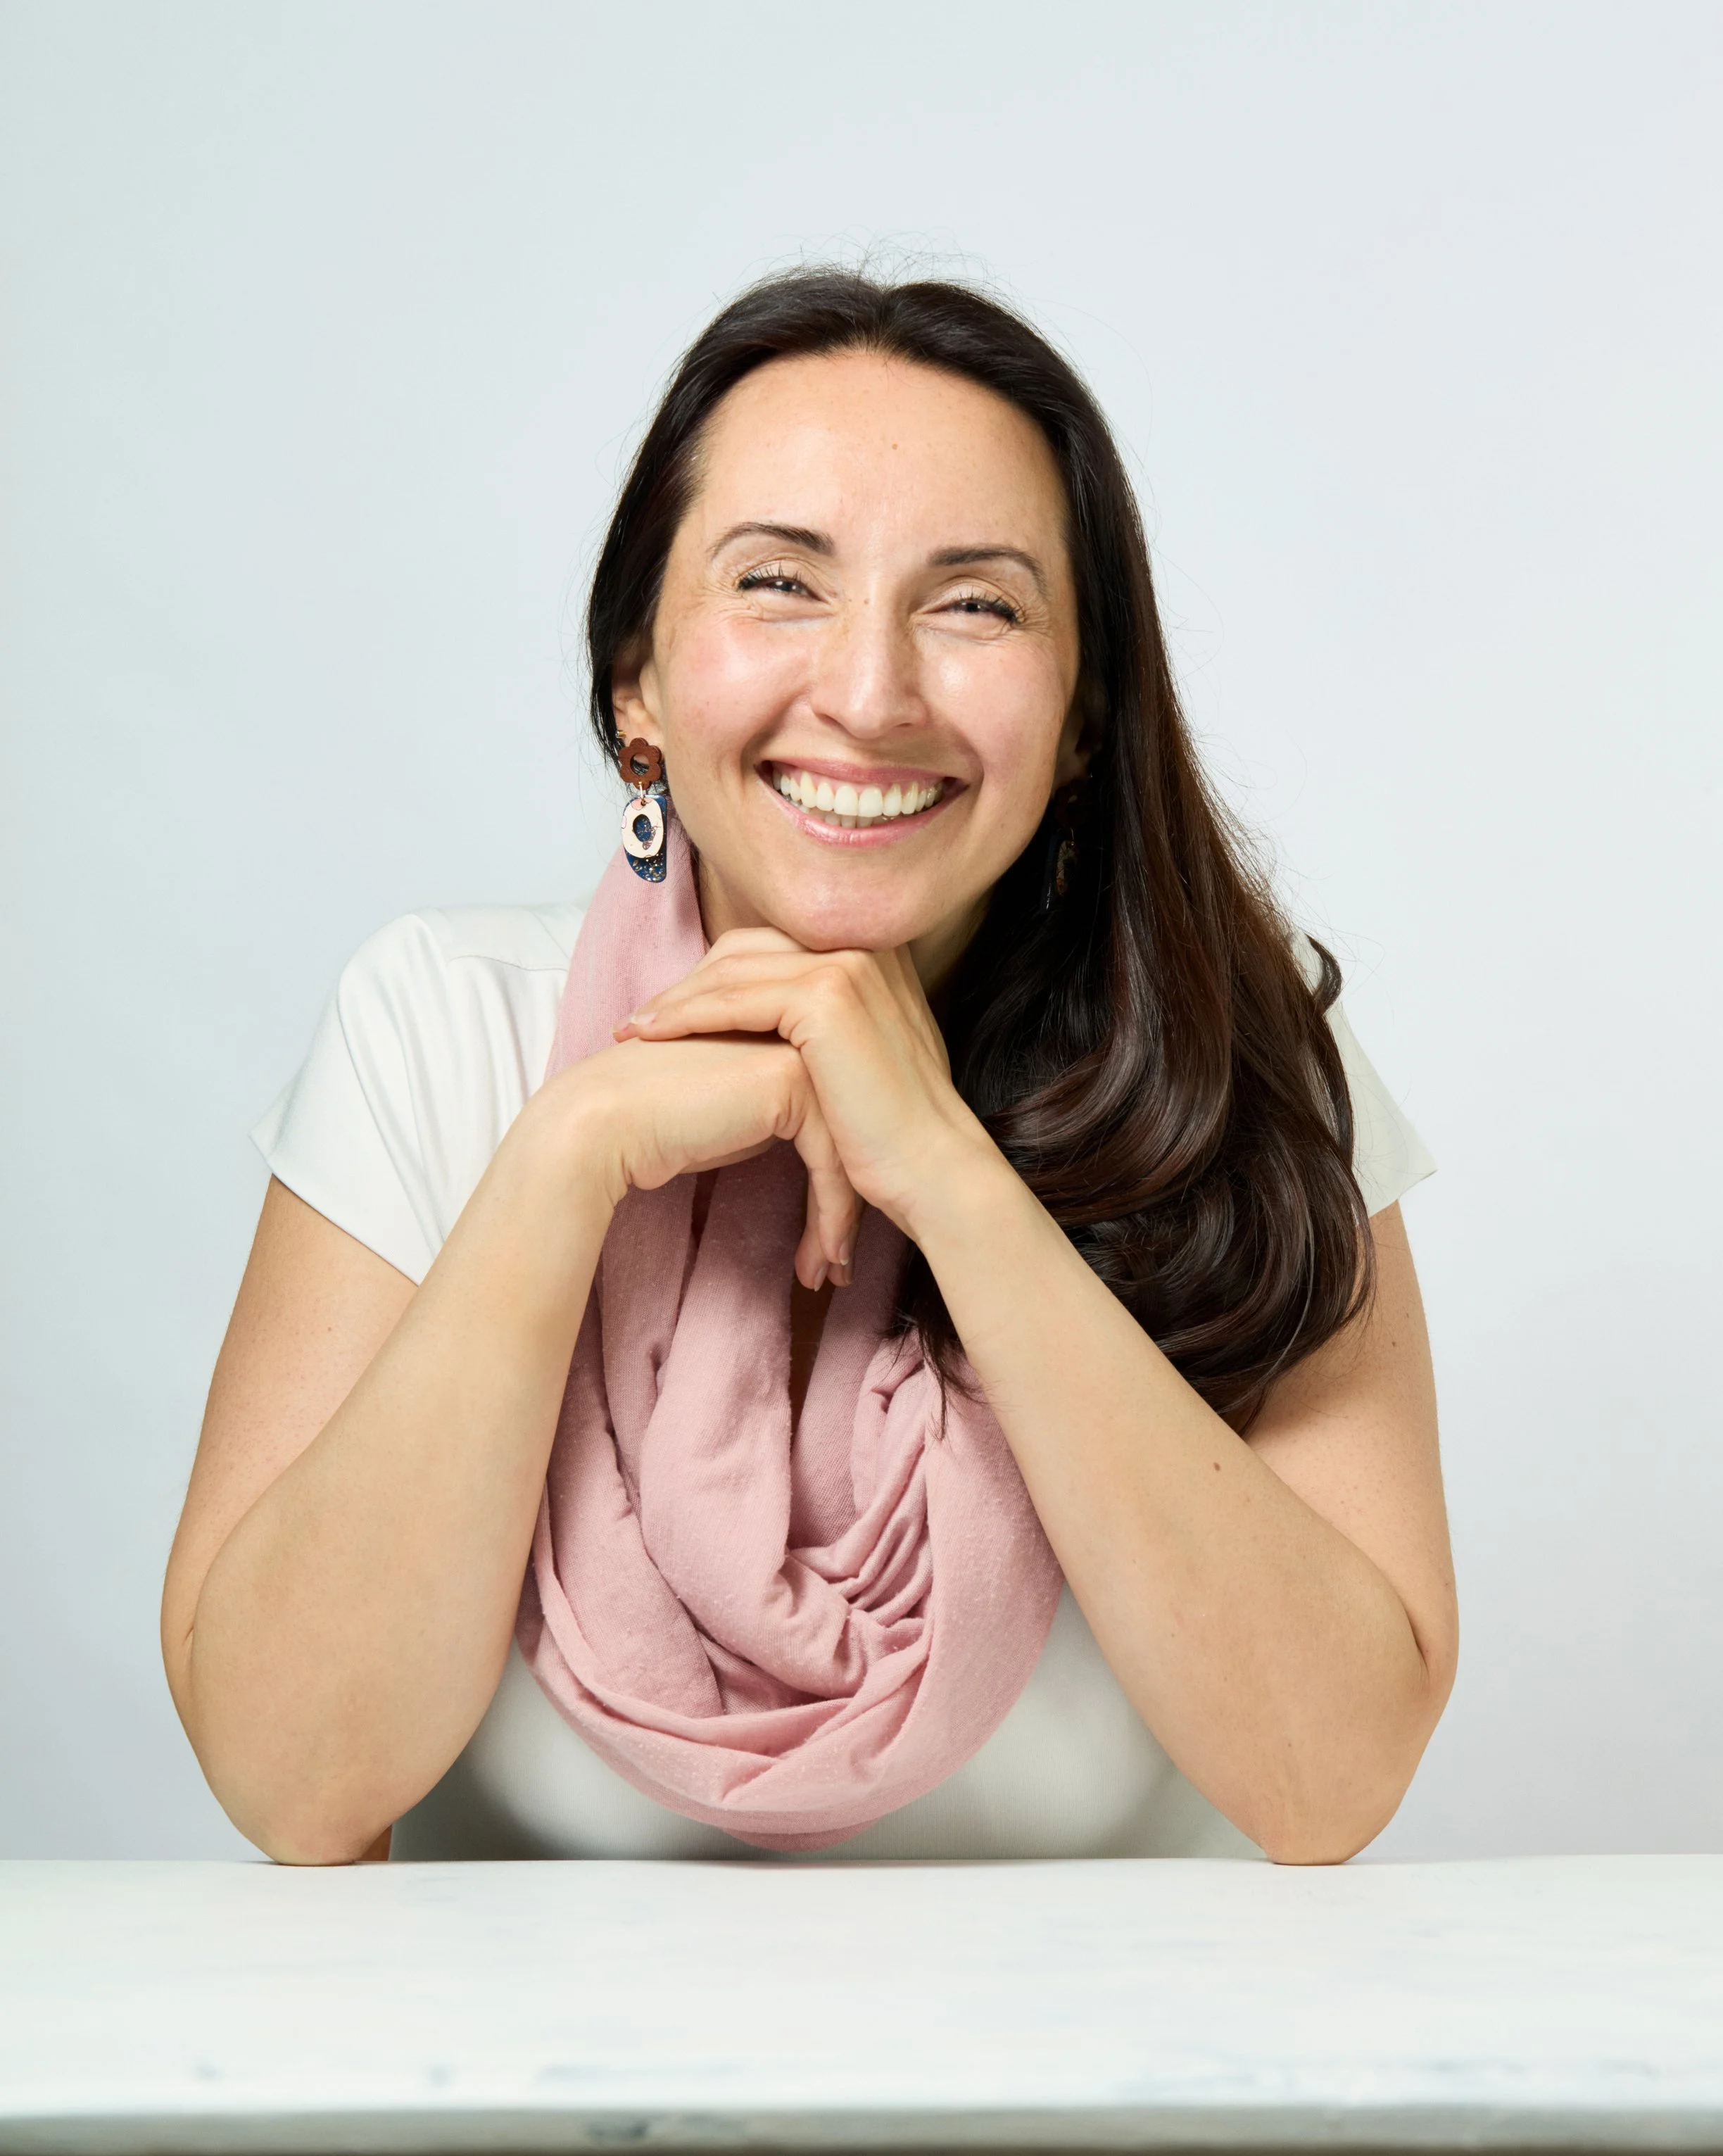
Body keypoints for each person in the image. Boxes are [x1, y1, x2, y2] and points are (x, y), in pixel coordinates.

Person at [162, 270, 1455, 1870]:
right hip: (536, 2105)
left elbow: (1329, 1777)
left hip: (1094, 2100)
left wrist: (955, 1183)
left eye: (973, 602)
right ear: (635, 679)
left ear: (1081, 717)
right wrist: (563, 1164)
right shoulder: (440, 1028)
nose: (867, 691)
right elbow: (290, 1776)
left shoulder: (1243, 1075)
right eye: (778, 582)